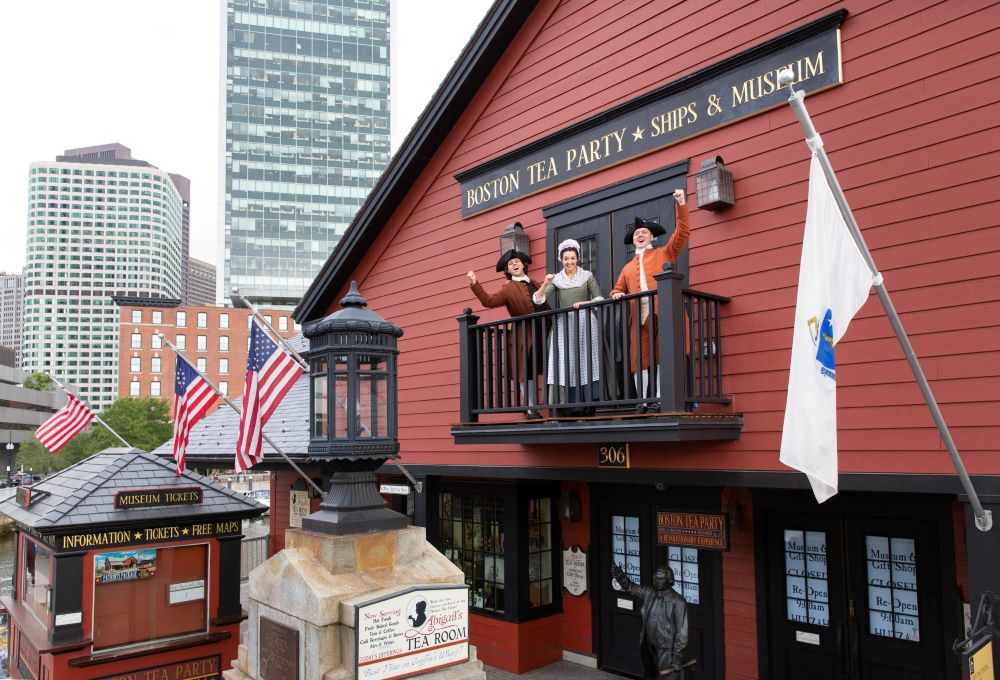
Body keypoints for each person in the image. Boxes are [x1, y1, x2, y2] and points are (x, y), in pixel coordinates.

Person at [611, 189, 690, 411]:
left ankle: (658, 399)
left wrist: (681, 203)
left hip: (662, 313)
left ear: (652, 237)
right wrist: (616, 294)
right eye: (637, 233)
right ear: (633, 239)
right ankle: (642, 401)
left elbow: (682, 232)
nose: (640, 234)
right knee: (639, 360)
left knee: (663, 357)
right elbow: (617, 289)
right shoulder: (627, 267)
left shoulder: (664, 253)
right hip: (639, 319)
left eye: (644, 232)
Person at [468, 248, 547, 419]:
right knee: (524, 372)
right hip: (521, 336)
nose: (515, 264)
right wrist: (475, 283)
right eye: (511, 264)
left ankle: (533, 408)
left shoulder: (534, 283)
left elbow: (544, 304)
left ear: (523, 265)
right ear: (508, 270)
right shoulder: (508, 288)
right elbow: (489, 301)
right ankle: (531, 409)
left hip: (540, 332)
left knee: (535, 370)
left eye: (517, 261)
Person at [533, 239, 606, 416]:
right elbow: (538, 299)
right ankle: (569, 406)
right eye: (566, 258)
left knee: (587, 360)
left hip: (585, 322)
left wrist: (584, 303)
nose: (569, 262)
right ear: (561, 259)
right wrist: (545, 283)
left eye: (572, 258)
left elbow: (599, 299)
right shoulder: (556, 279)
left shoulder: (587, 276)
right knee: (567, 362)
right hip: (564, 324)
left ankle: (588, 405)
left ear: (578, 258)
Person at [611, 563, 690, 678]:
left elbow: (682, 633)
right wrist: (620, 576)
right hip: (648, 646)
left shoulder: (678, 602)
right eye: (655, 577)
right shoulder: (649, 592)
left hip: (667, 650)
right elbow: (631, 587)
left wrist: (677, 658)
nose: (656, 581)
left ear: (670, 580)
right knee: (650, 675)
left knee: (667, 677)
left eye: (660, 578)